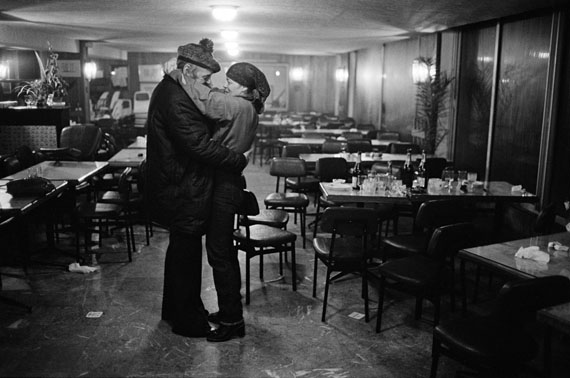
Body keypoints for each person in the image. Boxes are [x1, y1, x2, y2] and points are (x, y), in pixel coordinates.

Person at [146, 39, 249, 338]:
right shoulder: (176, 97)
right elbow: (198, 145)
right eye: (204, 78)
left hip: (176, 184)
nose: (208, 84)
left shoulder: (172, 88)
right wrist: (237, 160)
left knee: (180, 253)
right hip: (181, 187)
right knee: (186, 257)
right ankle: (187, 321)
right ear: (189, 70)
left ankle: (176, 309)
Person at [184, 63, 270, 342]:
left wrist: (180, 76)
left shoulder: (236, 105)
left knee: (219, 252)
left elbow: (204, 101)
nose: (227, 84)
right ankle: (228, 312)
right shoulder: (248, 106)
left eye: (231, 81)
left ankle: (233, 321)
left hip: (224, 183)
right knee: (225, 252)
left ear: (244, 87)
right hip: (231, 180)